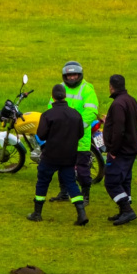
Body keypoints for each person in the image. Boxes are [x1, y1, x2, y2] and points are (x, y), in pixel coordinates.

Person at [27, 84, 89, 226]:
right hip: (69, 156)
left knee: (43, 181)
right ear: (65, 95)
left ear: (53, 96)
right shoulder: (76, 114)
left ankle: (37, 213)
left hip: (51, 155)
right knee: (71, 183)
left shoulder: (48, 114)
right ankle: (81, 214)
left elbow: (41, 134)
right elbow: (80, 133)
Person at [47, 61, 99, 206]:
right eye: (69, 75)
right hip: (62, 138)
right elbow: (51, 107)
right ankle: (63, 193)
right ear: (65, 76)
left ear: (80, 74)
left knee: (83, 169)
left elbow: (91, 112)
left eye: (74, 75)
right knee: (61, 166)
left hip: (80, 138)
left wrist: (75, 127)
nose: (72, 77)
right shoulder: (60, 88)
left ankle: (85, 195)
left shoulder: (87, 89)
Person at [103, 75, 137, 226]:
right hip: (131, 147)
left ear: (111, 86)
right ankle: (123, 210)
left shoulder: (118, 104)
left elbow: (119, 130)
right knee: (124, 179)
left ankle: (126, 210)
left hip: (121, 150)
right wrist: (108, 122)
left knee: (111, 181)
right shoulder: (131, 100)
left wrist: (113, 150)